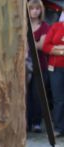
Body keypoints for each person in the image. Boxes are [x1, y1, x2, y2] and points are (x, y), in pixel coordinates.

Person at [26, 0, 50, 133]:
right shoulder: (24, 25)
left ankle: (36, 123)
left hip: (40, 65)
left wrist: (29, 44)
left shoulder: (44, 26)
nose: (35, 11)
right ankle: (26, 122)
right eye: (32, 9)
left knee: (38, 95)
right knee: (25, 94)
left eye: (37, 9)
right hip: (24, 65)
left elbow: (42, 45)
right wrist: (33, 43)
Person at [43, 18, 64, 136]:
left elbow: (52, 47)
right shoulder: (55, 26)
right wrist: (61, 51)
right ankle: (59, 128)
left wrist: (57, 48)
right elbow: (46, 46)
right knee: (58, 99)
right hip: (55, 68)